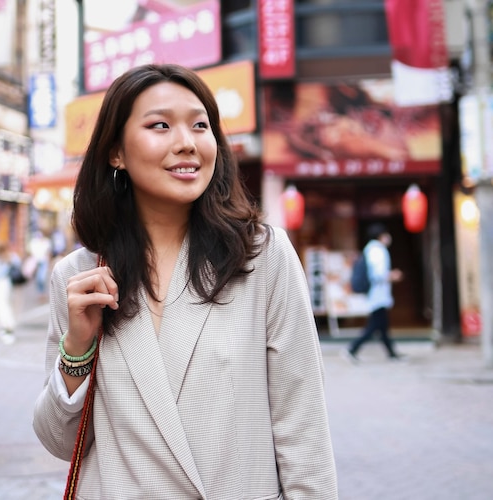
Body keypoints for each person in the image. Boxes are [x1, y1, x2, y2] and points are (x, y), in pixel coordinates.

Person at [33, 64, 338, 499]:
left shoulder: (262, 257)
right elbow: (59, 442)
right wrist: (77, 349)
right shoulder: (79, 277)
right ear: (116, 152)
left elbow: (302, 422)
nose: (187, 143)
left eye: (200, 125)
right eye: (160, 125)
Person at [342, 223, 405, 362]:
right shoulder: (377, 250)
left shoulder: (370, 249)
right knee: (374, 326)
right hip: (377, 294)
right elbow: (377, 274)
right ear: (380, 236)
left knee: (382, 326)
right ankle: (352, 348)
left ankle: (391, 353)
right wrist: (392, 275)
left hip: (377, 294)